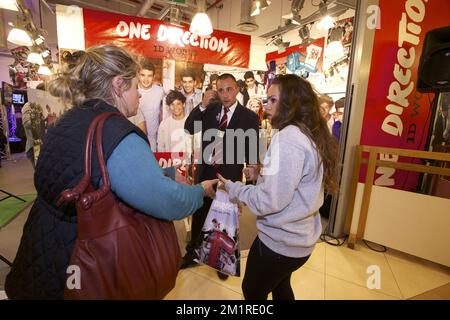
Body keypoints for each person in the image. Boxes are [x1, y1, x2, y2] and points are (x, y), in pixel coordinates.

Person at [4, 44, 219, 300]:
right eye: (135, 85)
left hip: (42, 248)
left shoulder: (69, 120)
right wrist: (200, 191)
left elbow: (88, 174)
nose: (139, 94)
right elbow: (167, 200)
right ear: (118, 84)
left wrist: (164, 175)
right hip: (84, 263)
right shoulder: (116, 134)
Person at [217, 74, 339, 300]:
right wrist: (263, 172)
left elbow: (268, 201)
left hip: (279, 244)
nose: (267, 106)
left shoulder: (289, 138)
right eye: (267, 100)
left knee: (252, 292)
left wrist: (234, 188)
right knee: (281, 288)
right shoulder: (306, 132)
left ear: (291, 102)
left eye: (273, 100)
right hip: (298, 240)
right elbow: (293, 181)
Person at [184, 73, 259, 280]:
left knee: (225, 219)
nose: (225, 94)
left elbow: (252, 151)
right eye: (220, 90)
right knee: (200, 213)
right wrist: (201, 106)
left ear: (237, 90)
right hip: (206, 171)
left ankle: (222, 260)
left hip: (229, 177)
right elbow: (188, 128)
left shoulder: (249, 117)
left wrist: (249, 180)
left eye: (229, 89)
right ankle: (192, 252)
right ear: (215, 91)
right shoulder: (209, 109)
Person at [138, 58, 164, 151]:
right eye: (142, 75)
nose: (146, 79)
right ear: (138, 75)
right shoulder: (133, 91)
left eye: (149, 76)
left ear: (153, 77)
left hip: (153, 139)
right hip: (135, 137)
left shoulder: (160, 91)